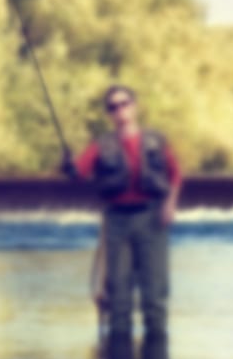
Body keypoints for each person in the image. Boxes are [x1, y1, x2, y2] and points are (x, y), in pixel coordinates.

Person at [63, 85, 182, 340]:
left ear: (134, 105)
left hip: (152, 219)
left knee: (155, 296)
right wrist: (69, 167)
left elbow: (175, 175)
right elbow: (80, 171)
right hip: (116, 221)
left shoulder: (156, 140)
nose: (119, 110)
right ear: (109, 113)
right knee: (118, 298)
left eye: (124, 103)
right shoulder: (100, 146)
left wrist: (169, 205)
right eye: (113, 107)